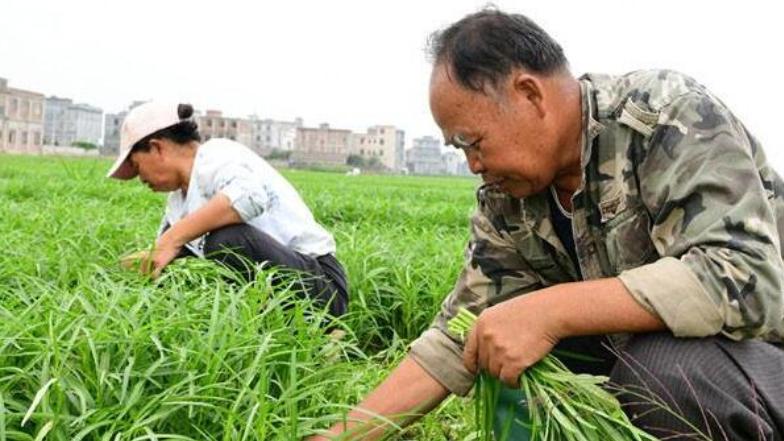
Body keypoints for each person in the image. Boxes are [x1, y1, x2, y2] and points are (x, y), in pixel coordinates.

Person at [309, 8, 784, 440]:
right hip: (696, 365)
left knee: (664, 369)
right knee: (497, 341)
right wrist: (342, 437)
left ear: (529, 94)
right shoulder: (509, 198)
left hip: (766, 360)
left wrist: (550, 310)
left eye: (473, 143)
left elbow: (744, 276)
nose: (474, 164)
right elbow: (459, 334)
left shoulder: (662, 115)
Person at [107, 101, 348, 318]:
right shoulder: (178, 203)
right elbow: (161, 256)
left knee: (226, 240)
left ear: (157, 148)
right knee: (176, 267)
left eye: (138, 167)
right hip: (285, 286)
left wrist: (171, 240)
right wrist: (121, 272)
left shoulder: (217, 155)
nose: (140, 179)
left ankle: (326, 330)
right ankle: (258, 327)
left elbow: (250, 198)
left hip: (322, 288)